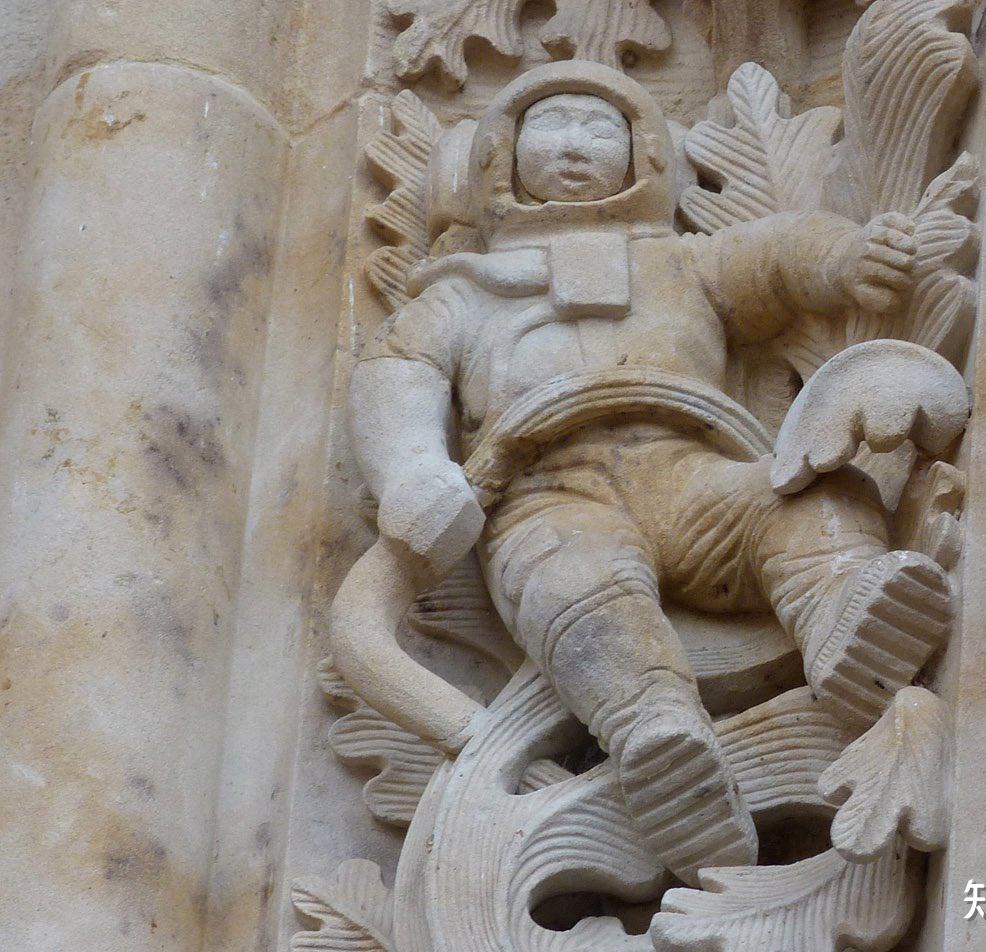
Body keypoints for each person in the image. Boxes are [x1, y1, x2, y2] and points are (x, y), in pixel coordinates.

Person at [349, 61, 950, 884]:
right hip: (548, 493)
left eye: (600, 128)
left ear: (646, 153)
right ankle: (658, 740)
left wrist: (847, 258)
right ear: (496, 156)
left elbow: (777, 256)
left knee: (813, 501)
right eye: (548, 125)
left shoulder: (684, 264)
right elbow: (399, 373)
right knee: (578, 592)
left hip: (694, 473)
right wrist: (413, 469)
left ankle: (842, 614)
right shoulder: (464, 292)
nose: (573, 145)